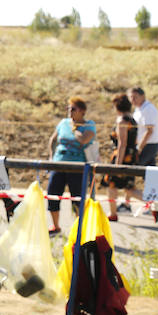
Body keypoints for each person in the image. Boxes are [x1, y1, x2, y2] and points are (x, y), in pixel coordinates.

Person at [46, 96, 96, 234]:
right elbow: (53, 139)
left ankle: (79, 229)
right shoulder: (63, 123)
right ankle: (55, 226)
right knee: (53, 194)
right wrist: (51, 157)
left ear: (82, 111)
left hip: (78, 168)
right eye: (68, 108)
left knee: (77, 199)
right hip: (59, 164)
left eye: (73, 109)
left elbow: (84, 140)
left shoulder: (89, 125)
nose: (70, 111)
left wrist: (75, 129)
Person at [101, 93, 140, 222]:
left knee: (112, 184)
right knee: (129, 187)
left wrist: (118, 165)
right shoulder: (132, 119)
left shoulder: (122, 120)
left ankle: (113, 213)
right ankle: (154, 203)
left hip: (122, 156)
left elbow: (122, 143)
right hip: (131, 156)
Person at [129, 86, 158, 168]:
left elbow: (149, 131)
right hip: (144, 144)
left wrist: (139, 148)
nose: (133, 100)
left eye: (135, 97)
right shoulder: (138, 109)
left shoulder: (148, 109)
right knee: (150, 172)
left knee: (135, 168)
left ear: (142, 96)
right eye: (131, 97)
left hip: (148, 144)